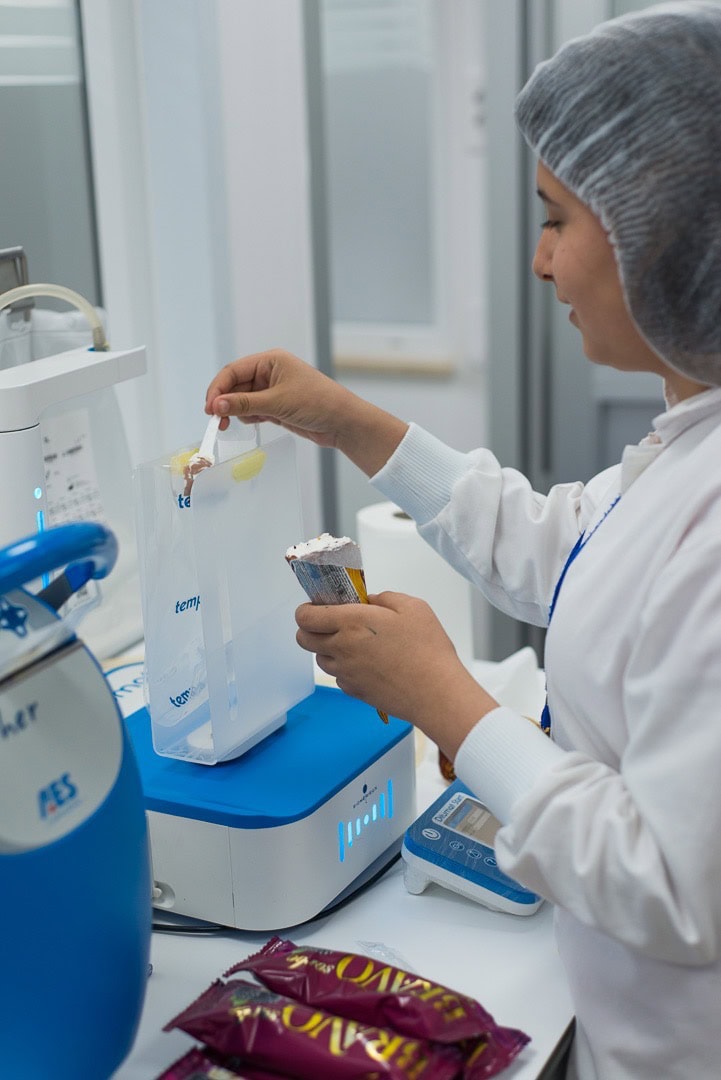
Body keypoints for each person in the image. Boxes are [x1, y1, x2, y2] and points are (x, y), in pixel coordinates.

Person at [203, 4, 721, 1076]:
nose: (539, 264)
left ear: (666, 236)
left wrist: (447, 700)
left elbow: (671, 888)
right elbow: (578, 554)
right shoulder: (689, 440)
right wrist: (349, 420)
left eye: (556, 219)